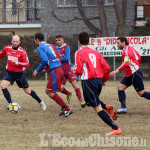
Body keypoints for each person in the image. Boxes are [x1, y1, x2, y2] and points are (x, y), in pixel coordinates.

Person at [73, 32, 121, 135]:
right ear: (89, 41)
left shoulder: (79, 53)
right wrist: (103, 80)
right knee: (90, 101)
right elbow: (107, 68)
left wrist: (74, 70)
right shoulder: (96, 53)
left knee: (96, 107)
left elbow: (79, 71)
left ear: (79, 42)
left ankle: (115, 128)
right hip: (98, 81)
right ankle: (108, 107)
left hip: (88, 82)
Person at [0, 35, 46, 110]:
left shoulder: (22, 52)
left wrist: (17, 62)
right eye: (14, 41)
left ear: (19, 42)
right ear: (11, 41)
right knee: (3, 86)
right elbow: (1, 55)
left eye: (17, 41)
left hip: (19, 74)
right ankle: (11, 104)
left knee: (27, 91)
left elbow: (27, 64)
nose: (15, 43)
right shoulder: (6, 48)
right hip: (9, 72)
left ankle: (40, 101)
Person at [33, 33, 73, 117]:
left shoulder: (40, 47)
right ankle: (65, 106)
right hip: (59, 69)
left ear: (36, 40)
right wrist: (48, 69)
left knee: (51, 92)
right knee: (48, 91)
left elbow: (44, 60)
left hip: (55, 71)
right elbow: (56, 58)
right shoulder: (50, 45)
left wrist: (37, 70)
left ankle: (67, 109)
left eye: (34, 40)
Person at [110, 36, 150, 114]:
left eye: (118, 43)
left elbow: (126, 63)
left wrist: (116, 71)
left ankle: (123, 107)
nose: (117, 45)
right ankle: (123, 108)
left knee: (141, 93)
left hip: (134, 74)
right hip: (130, 74)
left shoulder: (127, 51)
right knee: (120, 88)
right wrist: (136, 66)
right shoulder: (129, 49)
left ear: (123, 42)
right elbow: (138, 57)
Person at [55, 35, 85, 106]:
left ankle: (81, 101)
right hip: (61, 71)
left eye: (59, 40)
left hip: (69, 70)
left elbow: (66, 58)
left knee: (75, 85)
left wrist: (57, 58)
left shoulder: (66, 47)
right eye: (56, 40)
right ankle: (69, 94)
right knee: (60, 88)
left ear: (63, 40)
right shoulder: (55, 49)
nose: (57, 42)